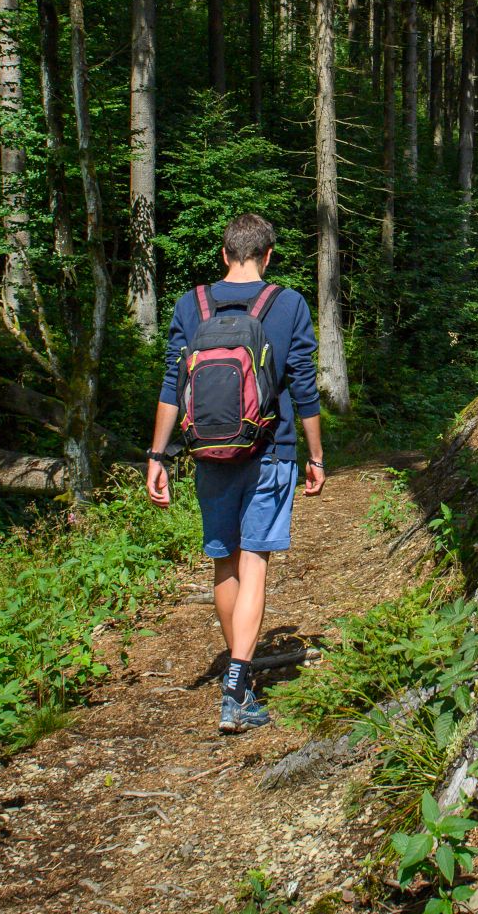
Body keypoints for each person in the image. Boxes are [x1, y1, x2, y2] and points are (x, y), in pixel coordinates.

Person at [145, 213, 325, 733]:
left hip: (206, 453)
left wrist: (158, 457)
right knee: (255, 562)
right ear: (267, 256)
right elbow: (305, 389)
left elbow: (171, 386)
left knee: (224, 560)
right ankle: (237, 689)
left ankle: (238, 676)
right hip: (269, 449)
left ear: (225, 254)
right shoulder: (287, 304)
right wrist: (314, 457)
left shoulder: (191, 304)